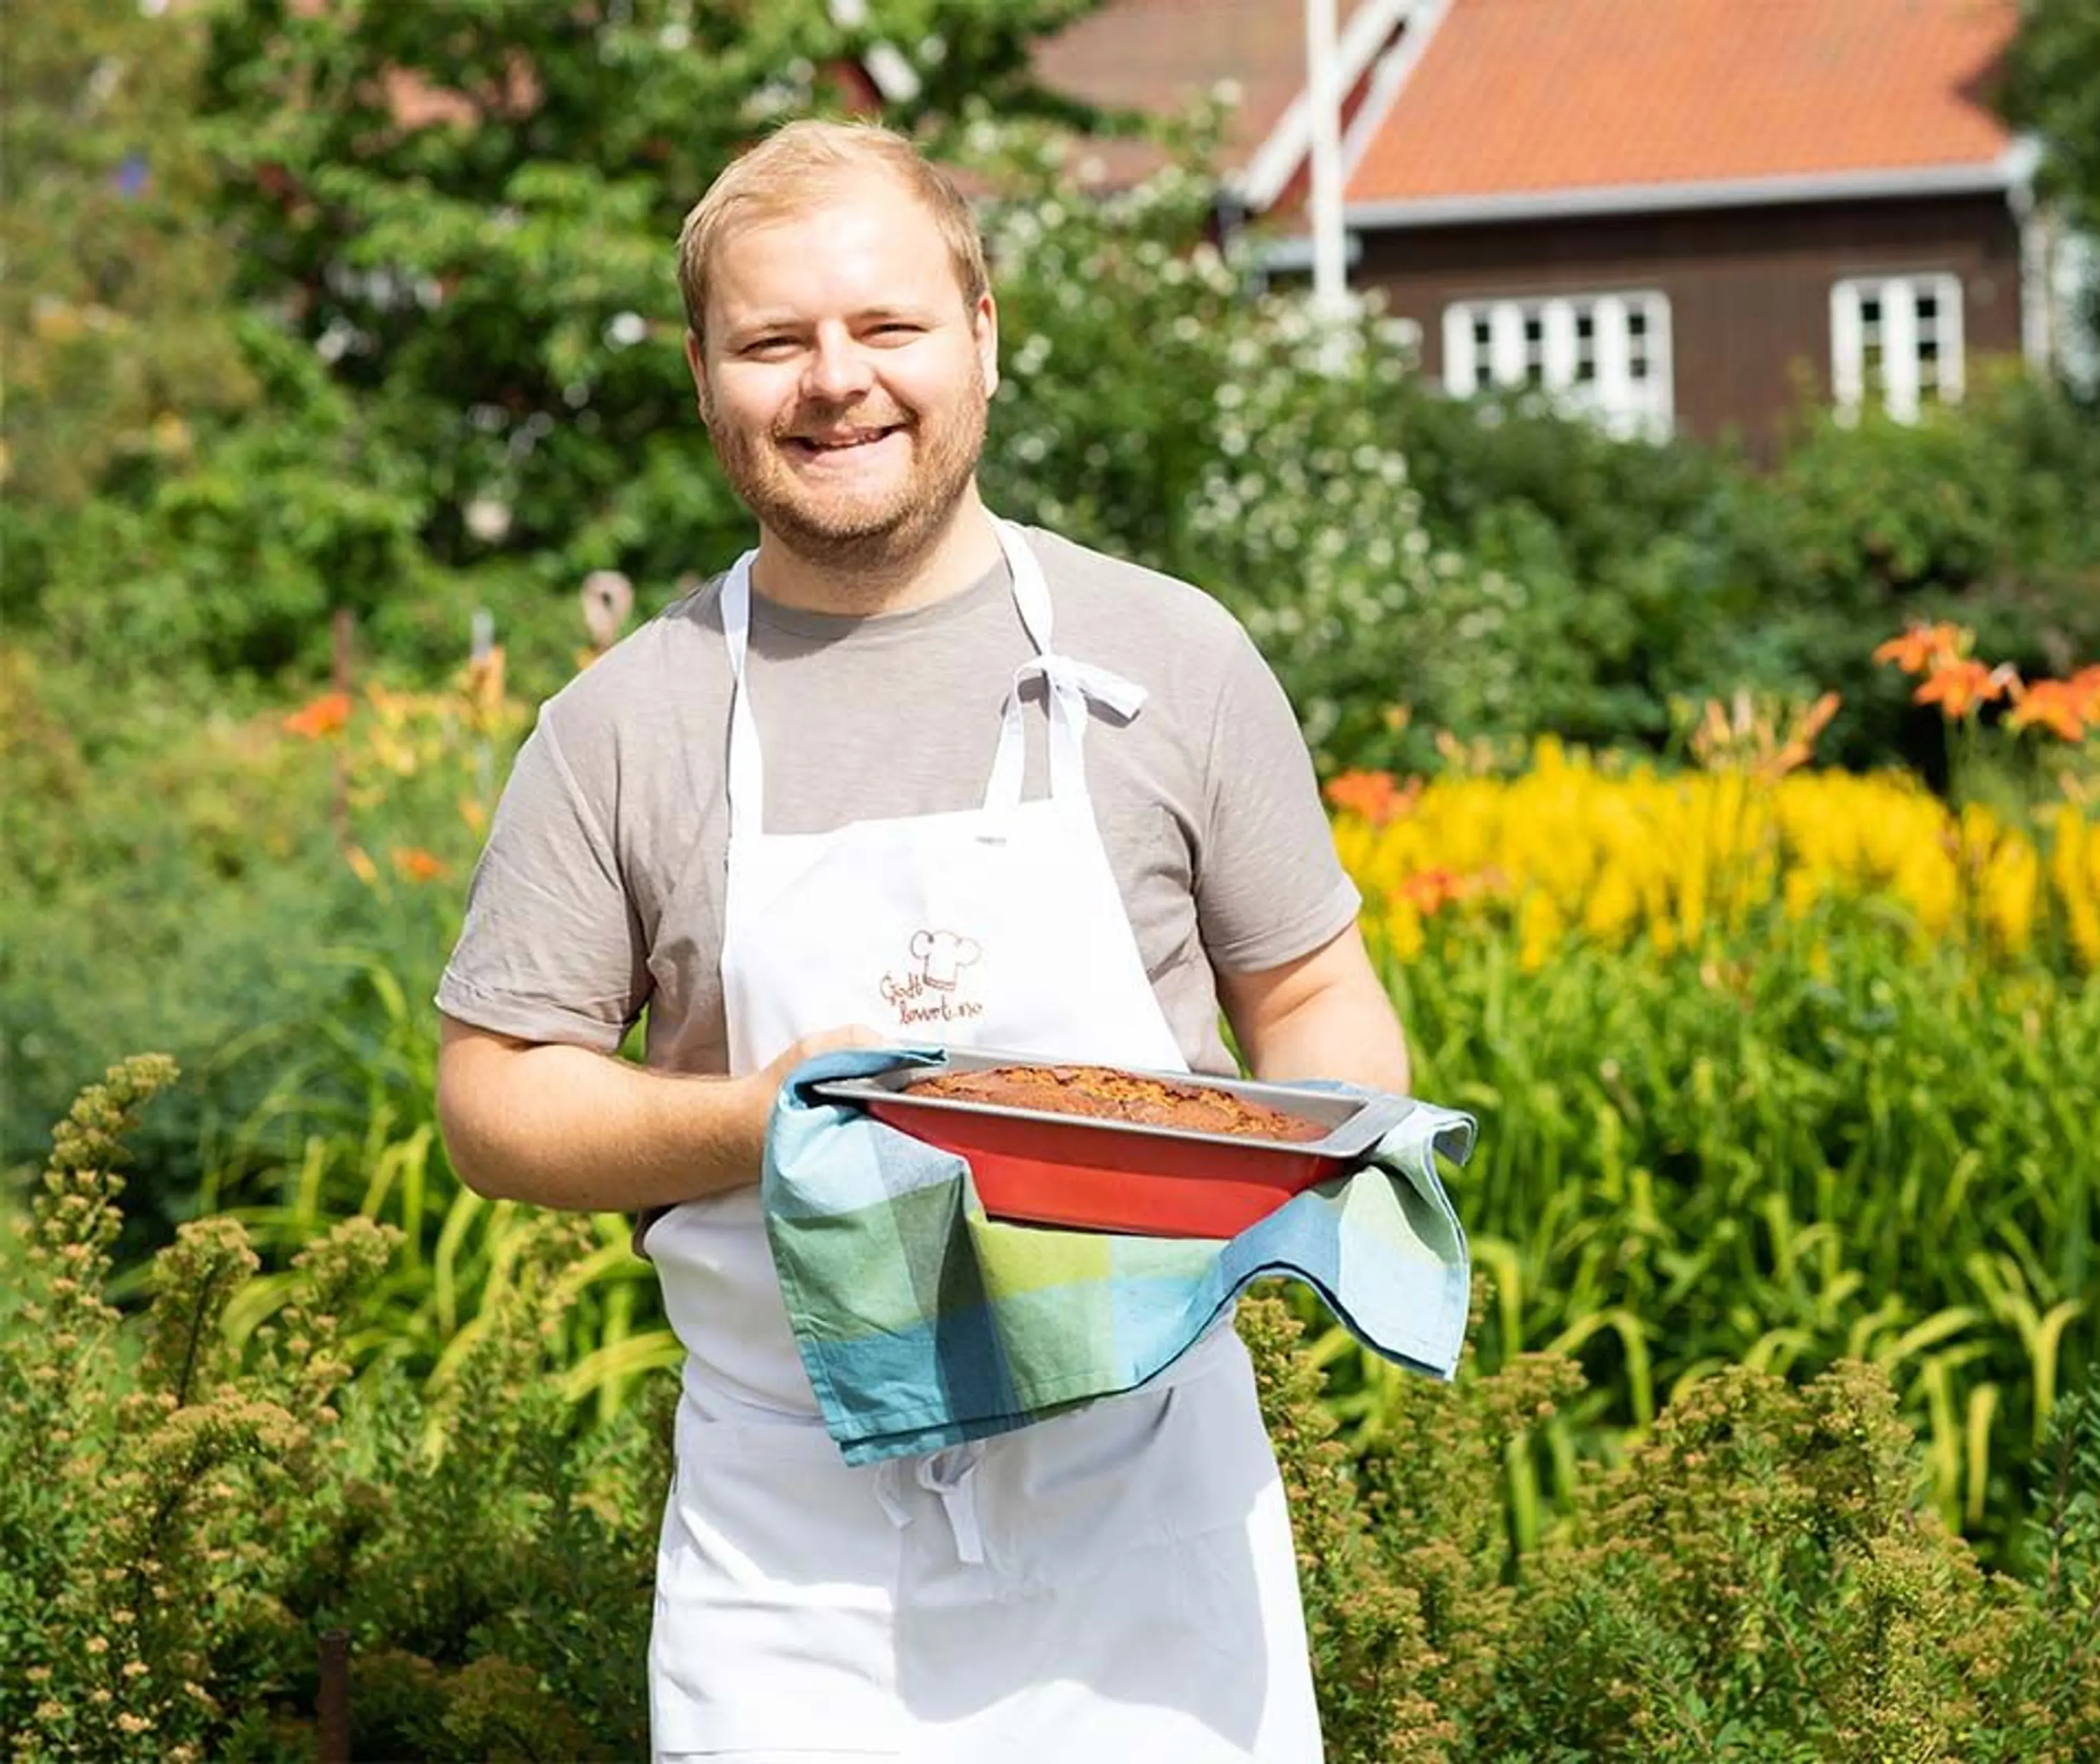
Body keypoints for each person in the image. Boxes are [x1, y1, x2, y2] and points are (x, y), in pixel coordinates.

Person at [433, 116, 1407, 1762]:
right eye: (772, 340)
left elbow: (1316, 997)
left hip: (1148, 1529)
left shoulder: (1169, 653)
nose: (835, 380)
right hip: (792, 1567)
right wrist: (772, 1118)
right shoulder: (622, 725)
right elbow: (496, 1096)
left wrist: (1269, 1174)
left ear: (982, 339)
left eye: (885, 326)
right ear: (703, 373)